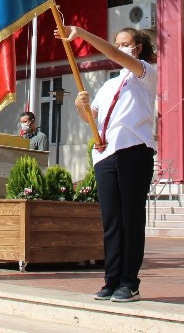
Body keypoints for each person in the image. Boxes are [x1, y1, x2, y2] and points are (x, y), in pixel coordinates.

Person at [59, 25, 157, 304]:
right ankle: (112, 280)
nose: (120, 47)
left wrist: (80, 33)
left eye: (126, 44)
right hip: (105, 155)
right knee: (112, 221)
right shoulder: (108, 85)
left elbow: (113, 53)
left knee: (131, 218)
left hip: (134, 151)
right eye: (119, 43)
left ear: (138, 49)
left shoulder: (145, 74)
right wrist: (81, 107)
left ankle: (130, 282)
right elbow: (93, 120)